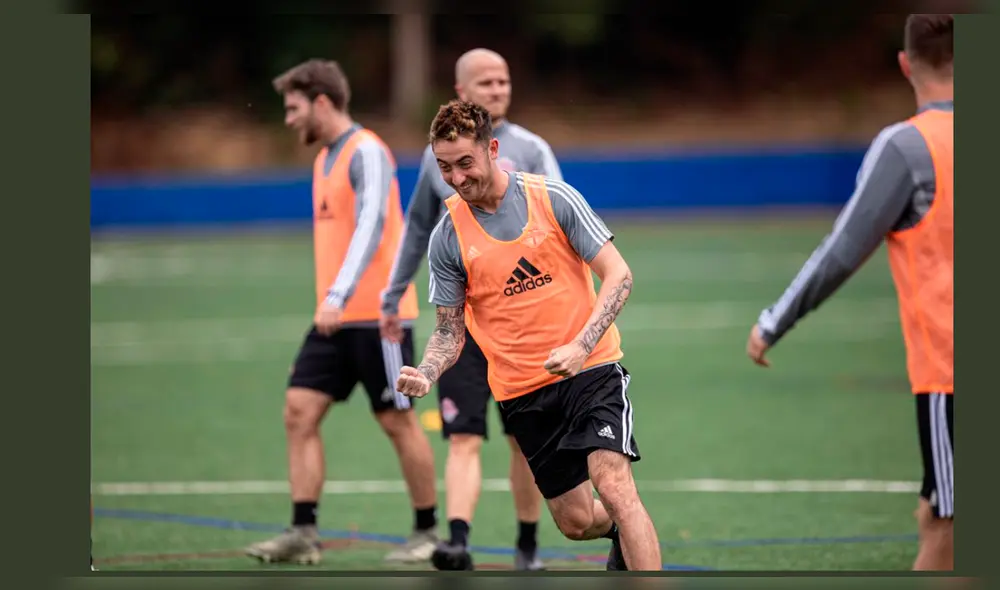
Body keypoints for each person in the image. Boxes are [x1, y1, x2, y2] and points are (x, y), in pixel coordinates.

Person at [395, 99, 663, 571]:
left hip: (591, 370)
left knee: (615, 486)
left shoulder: (553, 198)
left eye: (465, 163)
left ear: (492, 149)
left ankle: (631, 527)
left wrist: (581, 346)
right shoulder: (447, 236)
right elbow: (449, 331)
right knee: (576, 521)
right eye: (444, 167)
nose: (456, 178)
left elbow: (618, 274)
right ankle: (626, 529)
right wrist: (427, 371)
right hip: (522, 392)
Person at [745, 14, 953, 571]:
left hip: (953, 372)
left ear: (906, 64)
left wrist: (774, 321)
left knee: (948, 527)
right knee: (935, 513)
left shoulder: (909, 147)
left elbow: (841, 253)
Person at [244, 59, 440, 566]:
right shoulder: (323, 160)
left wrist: (338, 294)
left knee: (397, 420)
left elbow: (372, 223)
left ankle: (427, 532)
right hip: (334, 318)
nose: (289, 119)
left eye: (294, 108)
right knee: (298, 410)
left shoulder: (366, 151)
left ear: (322, 102)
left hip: (380, 318)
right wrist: (332, 302)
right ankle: (302, 531)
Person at [380, 48, 562, 571]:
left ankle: (527, 545)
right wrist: (393, 292)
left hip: (523, 330)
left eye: (504, 80)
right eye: (486, 82)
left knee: (523, 442)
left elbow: (563, 223)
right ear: (461, 91)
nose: (498, 89)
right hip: (462, 327)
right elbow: (419, 225)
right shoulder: (436, 158)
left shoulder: (533, 150)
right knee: (461, 435)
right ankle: (457, 541)